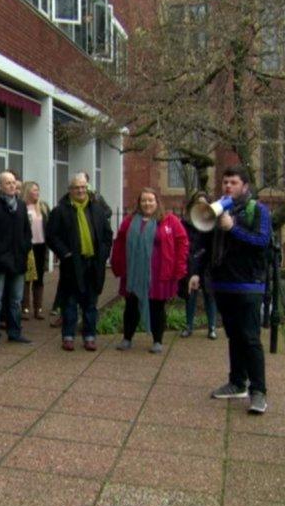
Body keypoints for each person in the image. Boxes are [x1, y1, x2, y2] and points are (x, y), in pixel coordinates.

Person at [189, 166, 271, 414]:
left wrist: (232, 228)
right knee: (234, 336)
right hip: (223, 284)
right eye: (225, 182)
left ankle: (259, 391)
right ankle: (237, 382)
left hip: (249, 284)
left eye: (233, 182)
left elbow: (262, 241)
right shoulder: (214, 210)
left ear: (245, 186)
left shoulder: (257, 210)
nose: (227, 186)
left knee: (250, 338)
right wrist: (194, 272)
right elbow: (202, 245)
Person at [110, 188, 188, 353]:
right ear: (139, 203)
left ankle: (157, 340)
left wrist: (179, 268)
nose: (147, 203)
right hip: (133, 273)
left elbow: (182, 243)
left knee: (157, 307)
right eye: (144, 200)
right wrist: (117, 265)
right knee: (130, 306)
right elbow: (119, 243)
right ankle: (127, 338)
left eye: (150, 200)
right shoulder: (129, 221)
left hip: (158, 274)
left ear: (157, 202)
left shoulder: (170, 220)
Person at [45, 172, 113, 351]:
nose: (81, 190)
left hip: (93, 264)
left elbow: (108, 235)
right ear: (70, 190)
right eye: (77, 187)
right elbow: (51, 236)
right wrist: (65, 253)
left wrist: (103, 254)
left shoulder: (97, 209)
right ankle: (68, 336)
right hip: (72, 264)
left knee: (91, 303)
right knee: (69, 302)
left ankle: (89, 337)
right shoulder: (60, 210)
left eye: (83, 187)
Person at [0, 170, 33, 345]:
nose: (12, 185)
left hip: (18, 260)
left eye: (14, 182)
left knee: (16, 300)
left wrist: (25, 248)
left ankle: (15, 332)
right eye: (8, 183)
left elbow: (27, 231)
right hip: (0, 261)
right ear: (0, 186)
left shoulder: (21, 206)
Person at [180, 192, 218, 340]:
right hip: (192, 262)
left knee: (210, 295)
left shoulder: (212, 224)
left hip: (207, 263)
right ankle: (189, 326)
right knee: (191, 294)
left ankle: (212, 327)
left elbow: (213, 246)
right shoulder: (186, 223)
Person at [22, 181, 49, 319]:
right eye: (34, 190)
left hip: (41, 245)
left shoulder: (43, 207)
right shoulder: (23, 207)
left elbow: (48, 226)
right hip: (28, 246)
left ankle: (38, 308)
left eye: (38, 190)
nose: (37, 192)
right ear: (27, 191)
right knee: (27, 277)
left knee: (39, 277)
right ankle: (25, 308)